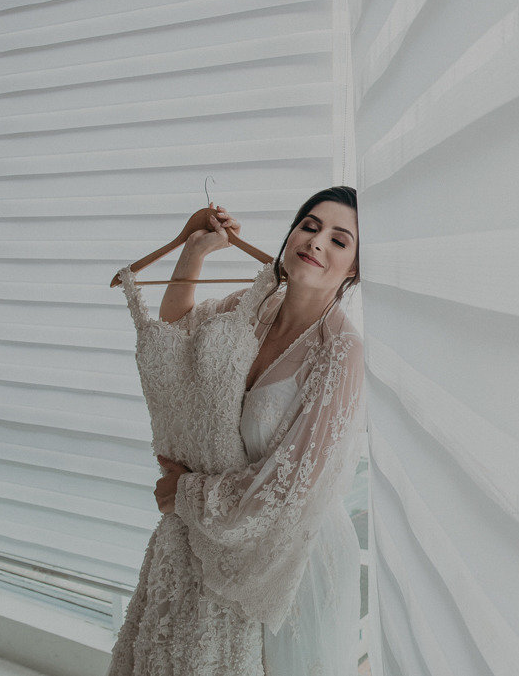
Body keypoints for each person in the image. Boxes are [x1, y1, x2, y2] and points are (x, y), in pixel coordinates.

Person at [111, 187, 365, 676]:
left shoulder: (340, 351)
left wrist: (183, 492)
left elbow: (293, 488)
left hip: (292, 557)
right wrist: (195, 250)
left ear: (353, 266)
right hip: (224, 533)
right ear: (291, 233)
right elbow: (178, 329)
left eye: (339, 239)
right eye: (309, 226)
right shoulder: (256, 307)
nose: (316, 243)